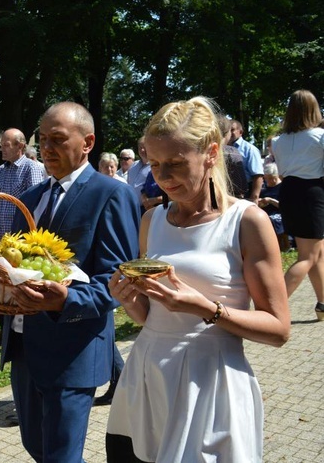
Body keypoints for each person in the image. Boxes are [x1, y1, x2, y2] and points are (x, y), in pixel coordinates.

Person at [106, 97, 290, 461]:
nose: (162, 177)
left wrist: (206, 308)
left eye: (175, 163)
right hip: (146, 377)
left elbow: (279, 329)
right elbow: (153, 316)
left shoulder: (247, 221)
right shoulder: (151, 221)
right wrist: (130, 300)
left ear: (211, 153)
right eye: (154, 164)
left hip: (210, 384)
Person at [1, 102, 141, 462]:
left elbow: (116, 278)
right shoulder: (30, 199)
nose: (46, 148)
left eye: (58, 139)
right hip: (23, 347)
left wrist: (64, 301)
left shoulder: (111, 194)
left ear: (87, 143)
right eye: (42, 139)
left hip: (73, 349)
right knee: (37, 448)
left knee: (61, 457)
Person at [271, 89, 324, 319]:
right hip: (311, 193)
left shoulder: (277, 141)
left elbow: (281, 173)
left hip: (289, 192)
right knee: (308, 257)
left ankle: (322, 304)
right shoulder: (319, 136)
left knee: (317, 254)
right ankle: (271, 307)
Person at [0, 128, 47, 239]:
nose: (1, 149)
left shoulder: (31, 168)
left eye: (6, 145)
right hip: (1, 239)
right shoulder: (1, 170)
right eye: (1, 145)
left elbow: (36, 204)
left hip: (22, 241)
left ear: (20, 146)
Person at [228, 119, 264, 202]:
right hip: (228, 193)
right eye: (228, 130)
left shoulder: (250, 149)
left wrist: (254, 198)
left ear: (240, 132)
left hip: (245, 193)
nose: (229, 132)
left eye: (232, 130)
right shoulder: (223, 148)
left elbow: (257, 175)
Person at [259, 162, 289, 251]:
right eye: (267, 179)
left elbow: (285, 206)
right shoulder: (264, 188)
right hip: (267, 213)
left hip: (281, 212)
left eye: (272, 178)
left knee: (274, 219)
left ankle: (282, 245)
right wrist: (261, 203)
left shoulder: (283, 187)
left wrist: (271, 201)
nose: (269, 181)